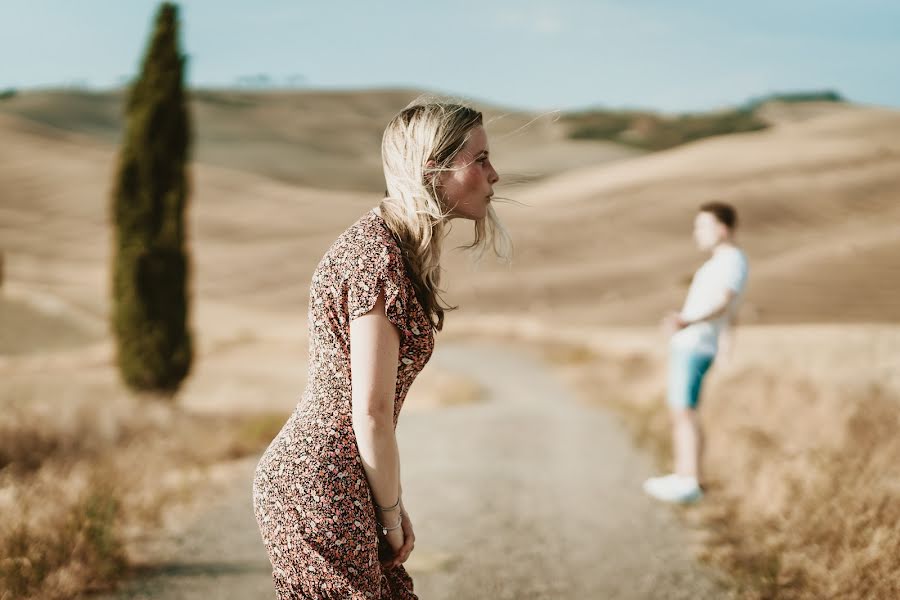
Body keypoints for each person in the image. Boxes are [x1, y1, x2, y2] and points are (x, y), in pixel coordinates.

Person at [253, 101, 510, 599]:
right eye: (479, 159)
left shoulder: (389, 246)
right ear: (431, 169)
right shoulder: (377, 258)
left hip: (340, 482)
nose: (494, 175)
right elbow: (370, 412)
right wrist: (389, 517)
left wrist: (386, 501)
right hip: (320, 485)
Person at [643, 202, 749, 504]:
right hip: (695, 343)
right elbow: (730, 313)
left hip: (696, 345)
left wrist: (685, 320)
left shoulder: (730, 261)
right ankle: (686, 476)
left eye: (702, 226)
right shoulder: (724, 261)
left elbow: (725, 303)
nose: (696, 233)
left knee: (685, 412)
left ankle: (688, 481)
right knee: (683, 411)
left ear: (722, 229)